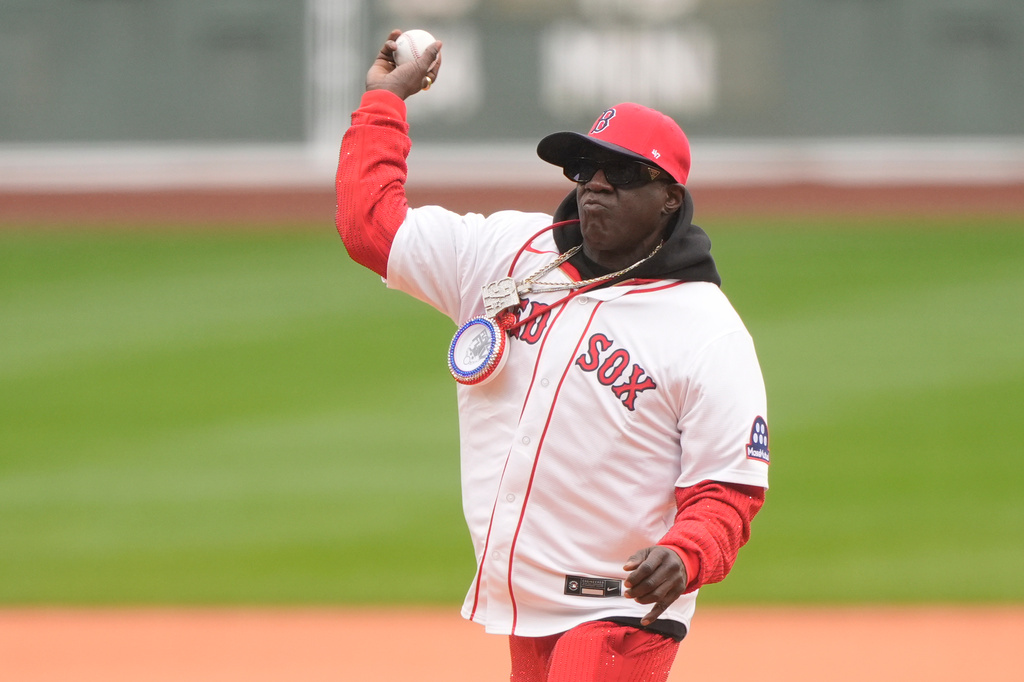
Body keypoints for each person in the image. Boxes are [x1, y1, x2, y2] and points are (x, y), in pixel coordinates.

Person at [335, 30, 770, 682]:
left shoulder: (706, 331)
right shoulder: (507, 253)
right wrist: (383, 101)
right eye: (583, 169)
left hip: (624, 608)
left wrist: (684, 555)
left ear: (670, 198)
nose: (596, 186)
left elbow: (728, 494)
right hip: (526, 604)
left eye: (622, 174)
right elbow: (371, 226)